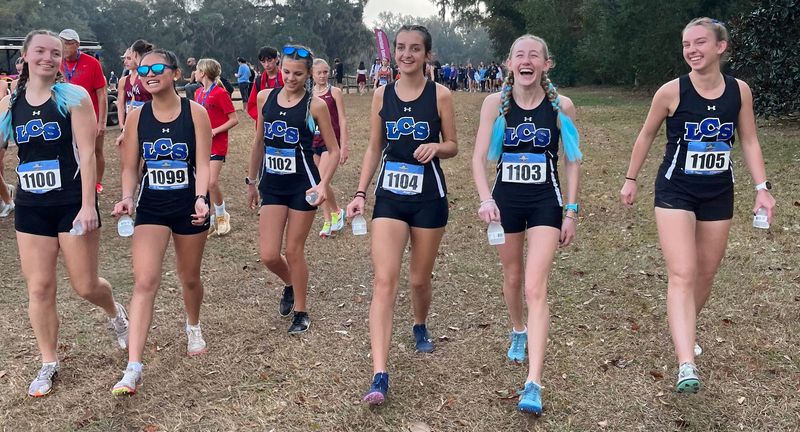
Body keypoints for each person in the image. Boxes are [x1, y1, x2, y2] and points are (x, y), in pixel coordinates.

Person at [620, 17, 776, 394]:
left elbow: (750, 141)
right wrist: (630, 178)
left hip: (719, 192)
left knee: (705, 274)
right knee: (683, 273)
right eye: (686, 44)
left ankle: (682, 327)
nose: (691, 50)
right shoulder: (671, 92)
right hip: (676, 191)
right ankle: (686, 361)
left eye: (700, 42)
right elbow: (646, 135)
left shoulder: (739, 92)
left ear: (720, 47)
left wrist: (762, 187)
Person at [0, 29, 129, 397]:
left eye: (55, 53)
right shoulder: (9, 104)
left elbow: (87, 153)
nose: (48, 58)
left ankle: (115, 314)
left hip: (71, 204)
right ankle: (48, 362)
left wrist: (89, 205)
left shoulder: (73, 97)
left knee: (85, 285)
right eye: (39, 51)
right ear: (24, 56)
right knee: (39, 287)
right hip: (30, 208)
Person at [346, 25, 458, 405]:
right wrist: (360, 192)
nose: (406, 54)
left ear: (427, 55)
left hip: (429, 197)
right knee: (384, 280)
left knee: (418, 279)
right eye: (400, 48)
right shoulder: (381, 94)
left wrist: (436, 147)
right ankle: (380, 373)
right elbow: (375, 146)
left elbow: (454, 145)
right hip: (390, 196)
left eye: (415, 49)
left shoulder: (440, 95)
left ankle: (420, 324)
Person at [472, 34, 582, 415]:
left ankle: (533, 382)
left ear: (546, 64)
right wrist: (486, 199)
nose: (527, 59)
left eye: (535, 55)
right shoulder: (494, 105)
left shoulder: (561, 106)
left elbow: (571, 159)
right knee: (513, 277)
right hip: (505, 204)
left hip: (545, 203)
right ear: (509, 63)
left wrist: (571, 210)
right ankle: (517, 328)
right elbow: (477, 160)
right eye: (520, 54)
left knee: (536, 287)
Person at [111, 48, 212, 396]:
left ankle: (193, 325)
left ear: (175, 74)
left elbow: (203, 162)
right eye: (142, 70)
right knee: (145, 281)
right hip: (151, 206)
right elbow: (129, 167)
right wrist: (126, 196)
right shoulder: (137, 117)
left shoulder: (195, 113)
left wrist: (201, 199)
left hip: (189, 205)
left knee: (189, 277)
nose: (149, 74)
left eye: (157, 68)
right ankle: (134, 366)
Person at [247, 45, 340, 334]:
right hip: (273, 185)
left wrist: (323, 184)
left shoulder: (315, 105)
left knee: (294, 249)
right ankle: (289, 283)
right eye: (286, 71)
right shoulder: (266, 97)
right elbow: (259, 142)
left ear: (309, 74)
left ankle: (301, 310)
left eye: (298, 74)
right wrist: (251, 182)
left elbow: (333, 150)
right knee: (269, 255)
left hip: (303, 185)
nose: (290, 78)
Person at [59, 29, 108, 193]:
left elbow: (102, 93)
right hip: (65, 116)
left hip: (90, 116)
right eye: (61, 43)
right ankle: (76, 182)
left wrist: (102, 121)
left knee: (95, 150)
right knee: (71, 151)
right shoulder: (57, 63)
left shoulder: (92, 63)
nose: (64, 47)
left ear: (77, 45)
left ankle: (97, 182)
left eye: (67, 43)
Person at [195, 58, 239, 236]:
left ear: (203, 72)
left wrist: (215, 131)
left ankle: (222, 215)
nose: (195, 73)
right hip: (201, 144)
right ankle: (212, 220)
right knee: (204, 184)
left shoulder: (220, 93)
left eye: (197, 70)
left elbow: (234, 119)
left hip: (217, 144)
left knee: (212, 182)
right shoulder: (198, 92)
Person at [311, 59, 350, 237]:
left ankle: (333, 215)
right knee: (319, 182)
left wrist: (344, 145)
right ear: (312, 73)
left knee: (322, 179)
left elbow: (342, 119)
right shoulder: (308, 94)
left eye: (325, 72)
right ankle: (330, 216)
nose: (322, 76)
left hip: (330, 141)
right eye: (319, 72)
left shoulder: (335, 92)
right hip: (313, 142)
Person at [115, 40, 154, 143]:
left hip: (150, 120)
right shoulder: (129, 79)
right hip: (135, 120)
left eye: (129, 58)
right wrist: (124, 126)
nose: (126, 62)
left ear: (135, 55)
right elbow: (129, 102)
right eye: (125, 59)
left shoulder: (148, 74)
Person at [247, 46, 284, 121]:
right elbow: (252, 105)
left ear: (277, 59)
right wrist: (264, 117)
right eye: (263, 62)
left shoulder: (286, 78)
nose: (267, 65)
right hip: (264, 125)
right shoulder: (259, 81)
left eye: (269, 60)